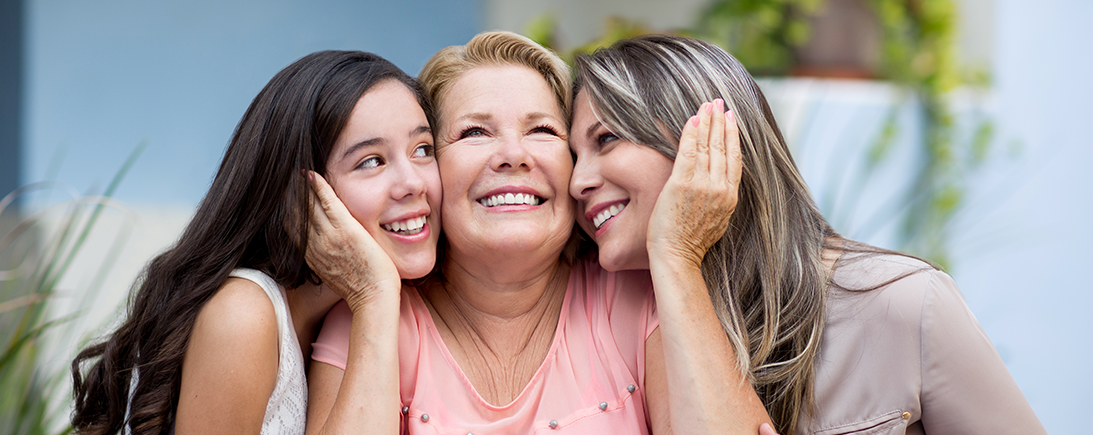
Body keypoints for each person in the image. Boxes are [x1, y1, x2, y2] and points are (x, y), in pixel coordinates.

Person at [568, 34, 1047, 435]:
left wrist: (676, 253)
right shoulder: (611, 328)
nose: (578, 182)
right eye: (574, 156)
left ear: (708, 143)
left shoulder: (900, 301)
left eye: (606, 139)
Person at [305, 31, 772, 434]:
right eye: (473, 133)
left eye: (543, 130)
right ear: (430, 169)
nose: (513, 154)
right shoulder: (372, 319)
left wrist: (676, 256)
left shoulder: (636, 299)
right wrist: (373, 299)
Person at [69, 50, 441, 435]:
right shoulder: (244, 315)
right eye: (371, 161)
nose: (413, 183)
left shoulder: (340, 314)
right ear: (303, 196)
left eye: (423, 150)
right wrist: (376, 293)